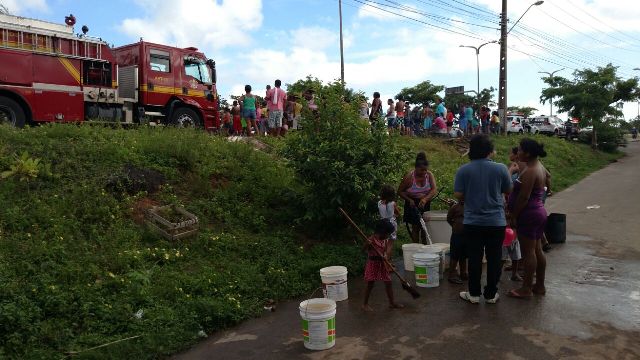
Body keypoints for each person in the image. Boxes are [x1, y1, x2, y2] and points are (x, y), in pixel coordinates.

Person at [454, 134, 512, 304]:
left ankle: (473, 294)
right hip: (496, 222)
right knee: (494, 259)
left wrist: (471, 195)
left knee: (474, 259)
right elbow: (508, 189)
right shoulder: (501, 168)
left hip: (472, 223)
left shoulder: (464, 170)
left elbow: (458, 194)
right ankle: (491, 294)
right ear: (489, 150)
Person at [507, 138, 548, 299]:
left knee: (528, 252)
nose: (518, 152)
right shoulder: (538, 166)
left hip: (529, 214)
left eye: (520, 149)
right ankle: (539, 285)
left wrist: (514, 216)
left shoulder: (531, 171)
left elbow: (524, 197)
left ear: (528, 153)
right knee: (537, 250)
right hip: (537, 212)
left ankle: (526, 289)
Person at [362, 219, 404, 311]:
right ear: (382, 232)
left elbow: (384, 251)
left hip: (382, 263)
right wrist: (367, 244)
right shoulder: (371, 239)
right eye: (388, 233)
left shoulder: (384, 240)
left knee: (388, 282)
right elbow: (363, 250)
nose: (388, 236)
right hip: (373, 264)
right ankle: (365, 304)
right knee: (370, 284)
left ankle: (392, 303)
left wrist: (385, 256)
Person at [398, 152, 438, 244]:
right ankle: (415, 247)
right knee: (415, 227)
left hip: (425, 202)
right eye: (421, 170)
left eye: (425, 170)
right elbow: (400, 192)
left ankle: (425, 245)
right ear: (416, 168)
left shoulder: (429, 175)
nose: (424, 172)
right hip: (412, 203)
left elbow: (434, 189)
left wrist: (425, 199)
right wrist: (409, 200)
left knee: (424, 226)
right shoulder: (409, 177)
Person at [447, 200, 468, 284]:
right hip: (457, 235)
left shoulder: (471, 206)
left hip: (467, 235)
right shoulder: (455, 207)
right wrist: (455, 225)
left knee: (464, 255)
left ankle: (463, 273)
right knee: (455, 255)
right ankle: (451, 275)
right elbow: (448, 218)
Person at [378, 185, 400, 254]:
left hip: (382, 222)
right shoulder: (393, 203)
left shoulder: (379, 203)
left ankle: (383, 258)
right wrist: (394, 216)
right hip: (391, 223)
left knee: (384, 241)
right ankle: (387, 260)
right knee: (390, 243)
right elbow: (398, 213)